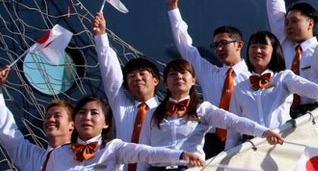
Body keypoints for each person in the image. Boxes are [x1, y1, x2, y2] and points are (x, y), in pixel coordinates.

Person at [138, 58, 286, 170]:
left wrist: (264, 132)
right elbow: (143, 152)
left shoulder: (202, 109)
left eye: (184, 72)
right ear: (166, 83)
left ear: (193, 80)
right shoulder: (152, 114)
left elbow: (234, 121)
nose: (178, 77)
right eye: (172, 74)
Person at [166, 0, 249, 157]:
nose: (218, 49)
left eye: (223, 43)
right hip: (210, 142)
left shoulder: (253, 79)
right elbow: (186, 47)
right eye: (215, 45)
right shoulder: (210, 73)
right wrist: (173, 7)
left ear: (239, 45)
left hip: (243, 144)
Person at [226, 32, 318, 148]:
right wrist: (226, 157)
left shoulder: (283, 77)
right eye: (254, 47)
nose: (257, 51)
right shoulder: (240, 88)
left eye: (263, 47)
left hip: (281, 142)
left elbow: (306, 86)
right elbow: (233, 127)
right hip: (251, 148)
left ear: (274, 51)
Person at [42, 96, 204, 171]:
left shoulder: (114, 148)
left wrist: (180, 155)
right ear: (74, 121)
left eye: (94, 113)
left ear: (106, 123)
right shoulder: (58, 154)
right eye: (82, 113)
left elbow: (146, 153)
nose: (87, 118)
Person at [92, 12, 160, 171]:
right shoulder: (121, 106)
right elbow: (111, 75)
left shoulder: (165, 110)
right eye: (131, 76)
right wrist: (101, 35)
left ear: (156, 80)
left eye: (143, 74)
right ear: (127, 85)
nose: (137, 78)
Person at [264, 0, 318, 116]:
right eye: (287, 22)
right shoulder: (284, 45)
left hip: (314, 110)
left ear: (310, 23)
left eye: (294, 21)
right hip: (285, 112)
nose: (288, 26)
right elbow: (275, 12)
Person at [0, 66, 74, 171]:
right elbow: (7, 132)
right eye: (47, 116)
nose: (50, 119)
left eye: (57, 115)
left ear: (72, 125)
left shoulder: (86, 158)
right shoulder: (34, 157)